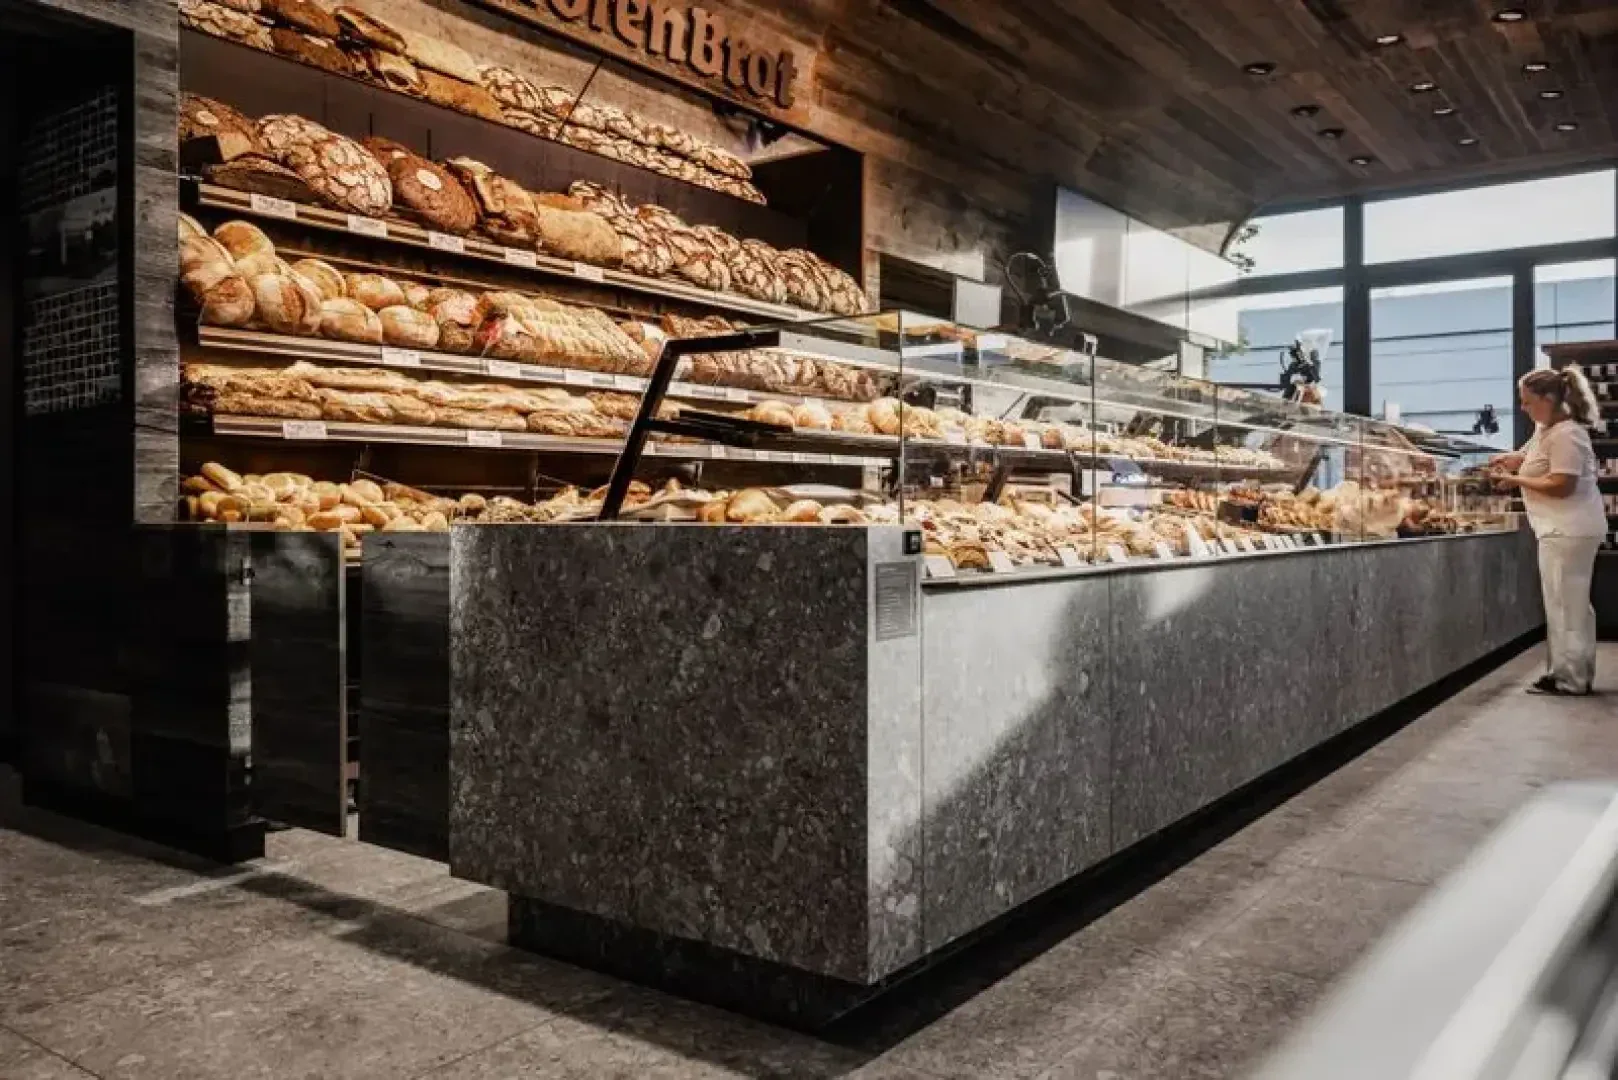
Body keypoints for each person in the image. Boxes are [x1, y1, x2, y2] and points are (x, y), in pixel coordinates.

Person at [1491, 365, 1607, 696]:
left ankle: (1570, 679)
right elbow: (1528, 456)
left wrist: (1514, 481)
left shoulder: (1567, 434)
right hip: (1562, 529)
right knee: (1567, 601)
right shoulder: (1546, 428)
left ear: (1549, 398)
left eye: (1528, 402)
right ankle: (1567, 670)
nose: (1523, 408)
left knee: (1565, 603)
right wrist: (1511, 460)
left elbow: (1561, 485)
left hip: (1568, 530)